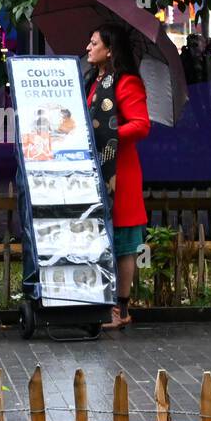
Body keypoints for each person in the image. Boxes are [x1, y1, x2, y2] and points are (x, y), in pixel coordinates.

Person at [84, 24, 151, 330]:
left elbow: (141, 125)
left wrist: (108, 134)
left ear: (109, 50)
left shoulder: (127, 83)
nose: (88, 46)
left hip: (119, 174)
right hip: (95, 172)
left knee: (123, 241)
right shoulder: (93, 82)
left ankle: (121, 310)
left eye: (94, 41)